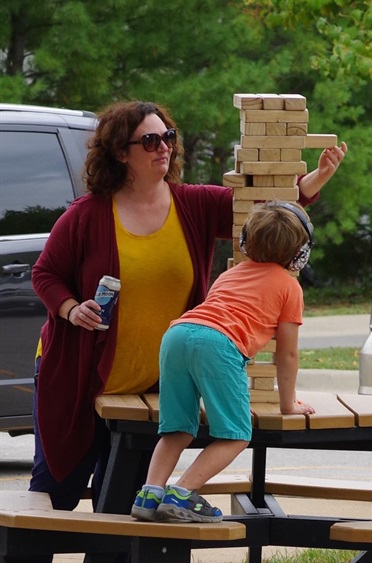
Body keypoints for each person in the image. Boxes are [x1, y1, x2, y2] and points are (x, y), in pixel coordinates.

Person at [14, 99, 345, 563]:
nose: (163, 147)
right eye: (150, 140)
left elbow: (266, 210)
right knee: (54, 494)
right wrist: (71, 309)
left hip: (149, 388)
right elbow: (45, 274)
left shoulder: (193, 203)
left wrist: (314, 182)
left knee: (126, 511)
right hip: (76, 377)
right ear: (120, 152)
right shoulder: (87, 214)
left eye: (168, 137)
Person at [131, 200, 316, 524]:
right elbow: (285, 353)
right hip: (220, 344)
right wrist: (288, 405)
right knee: (235, 434)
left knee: (177, 428)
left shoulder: (231, 273)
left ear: (246, 242)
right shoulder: (290, 287)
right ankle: (182, 493)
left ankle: (150, 493)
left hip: (177, 335)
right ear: (299, 253)